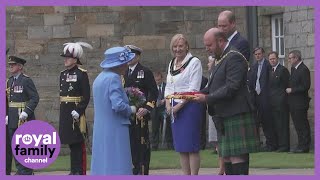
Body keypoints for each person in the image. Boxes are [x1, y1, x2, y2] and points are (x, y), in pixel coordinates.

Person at [196, 28, 259, 175]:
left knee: (237, 157)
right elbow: (212, 86)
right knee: (228, 158)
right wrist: (195, 94)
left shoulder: (234, 57)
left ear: (220, 41)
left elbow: (232, 87)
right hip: (224, 114)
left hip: (236, 112)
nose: (207, 49)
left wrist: (207, 98)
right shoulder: (220, 58)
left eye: (209, 45)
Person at [90, 46, 137, 175]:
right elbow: (118, 105)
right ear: (119, 64)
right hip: (115, 127)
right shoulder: (114, 78)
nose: (127, 66)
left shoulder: (99, 78)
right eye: (125, 63)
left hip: (101, 128)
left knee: (103, 162)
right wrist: (131, 109)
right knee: (118, 162)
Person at [164, 34, 203, 175]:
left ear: (187, 46)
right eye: (175, 46)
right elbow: (168, 86)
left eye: (180, 46)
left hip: (189, 106)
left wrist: (178, 106)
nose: (177, 49)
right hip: (174, 107)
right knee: (181, 146)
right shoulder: (171, 63)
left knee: (191, 146)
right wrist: (168, 104)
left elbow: (193, 89)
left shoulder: (194, 62)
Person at [123, 44, 158, 175]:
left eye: (132, 55)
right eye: (127, 56)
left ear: (138, 56)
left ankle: (143, 171)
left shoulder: (145, 72)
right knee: (130, 145)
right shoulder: (123, 72)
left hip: (140, 115)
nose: (129, 59)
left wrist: (147, 108)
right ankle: (132, 169)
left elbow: (154, 93)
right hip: (127, 115)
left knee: (142, 145)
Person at [59, 42, 92, 175]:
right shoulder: (62, 74)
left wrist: (79, 111)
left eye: (68, 57)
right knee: (71, 143)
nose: (65, 60)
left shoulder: (81, 74)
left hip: (76, 113)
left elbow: (86, 96)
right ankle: (73, 170)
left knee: (77, 143)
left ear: (75, 59)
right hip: (66, 112)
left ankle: (78, 171)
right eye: (65, 57)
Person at [6, 55, 39, 175]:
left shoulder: (26, 80)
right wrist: (8, 114)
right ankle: (20, 169)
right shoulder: (10, 81)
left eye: (13, 64)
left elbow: (35, 98)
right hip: (13, 118)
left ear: (20, 67)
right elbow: (10, 100)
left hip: (24, 118)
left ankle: (27, 171)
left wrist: (26, 111)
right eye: (10, 64)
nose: (10, 66)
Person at [248, 47, 276, 151]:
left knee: (267, 122)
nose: (257, 56)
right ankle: (258, 144)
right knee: (257, 121)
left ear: (263, 54)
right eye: (256, 54)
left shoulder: (268, 65)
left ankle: (271, 144)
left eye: (259, 54)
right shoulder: (254, 67)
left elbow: (270, 82)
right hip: (256, 98)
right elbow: (251, 82)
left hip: (266, 97)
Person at [286, 50, 311, 153]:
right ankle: (300, 145)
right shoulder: (293, 69)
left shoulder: (304, 69)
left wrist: (292, 90)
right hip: (293, 102)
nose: (289, 60)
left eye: (291, 58)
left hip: (301, 102)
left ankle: (305, 146)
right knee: (297, 125)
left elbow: (306, 86)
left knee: (303, 124)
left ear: (296, 58)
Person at [268, 51, 290, 152]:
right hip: (272, 103)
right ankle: (278, 145)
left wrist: (282, 100)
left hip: (281, 103)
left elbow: (286, 86)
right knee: (276, 124)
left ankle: (284, 146)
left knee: (283, 124)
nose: (272, 60)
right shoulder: (270, 70)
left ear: (277, 59)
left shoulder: (283, 70)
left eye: (274, 58)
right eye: (270, 59)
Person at [206, 56, 225, 175]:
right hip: (212, 111)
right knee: (217, 143)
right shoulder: (211, 75)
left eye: (210, 62)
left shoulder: (218, 75)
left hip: (219, 111)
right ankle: (221, 167)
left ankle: (223, 168)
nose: (208, 64)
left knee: (221, 141)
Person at [151, 71, 172, 150]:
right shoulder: (152, 87)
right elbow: (149, 97)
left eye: (159, 80)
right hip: (155, 111)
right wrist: (155, 101)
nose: (157, 82)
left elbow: (170, 96)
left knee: (167, 128)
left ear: (162, 79)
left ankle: (169, 145)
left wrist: (164, 100)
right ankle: (154, 146)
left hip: (164, 109)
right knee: (155, 129)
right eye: (156, 80)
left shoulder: (167, 87)